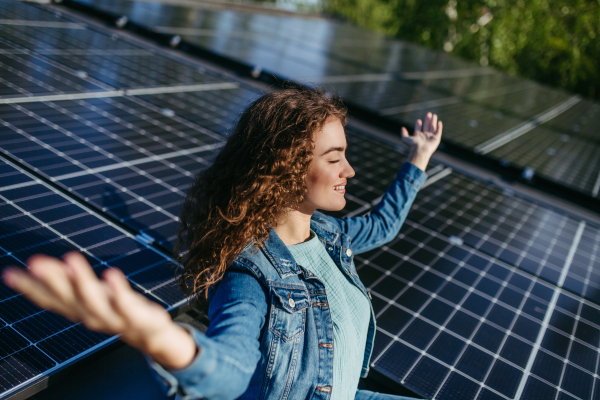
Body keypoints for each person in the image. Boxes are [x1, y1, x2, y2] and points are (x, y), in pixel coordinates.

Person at [2, 87, 442, 400]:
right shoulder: (249, 273)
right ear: (287, 168)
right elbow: (231, 367)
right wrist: (163, 339)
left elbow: (383, 224)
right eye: (334, 158)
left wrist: (418, 159)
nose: (350, 171)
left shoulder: (329, 234)